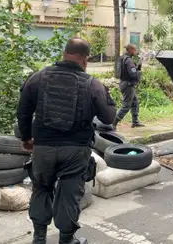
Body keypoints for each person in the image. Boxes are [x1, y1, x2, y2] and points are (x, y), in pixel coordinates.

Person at [17, 38, 117, 244]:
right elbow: (109, 117)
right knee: (69, 194)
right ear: (85, 60)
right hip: (75, 151)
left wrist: (27, 139)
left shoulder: (37, 78)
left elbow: (23, 112)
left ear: (64, 53)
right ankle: (66, 239)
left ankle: (39, 238)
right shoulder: (92, 84)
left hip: (43, 148)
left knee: (41, 189)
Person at [113, 43, 144, 129]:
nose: (135, 51)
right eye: (134, 50)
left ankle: (135, 122)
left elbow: (127, 71)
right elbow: (133, 74)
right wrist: (139, 72)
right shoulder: (129, 60)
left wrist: (138, 67)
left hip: (124, 83)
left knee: (135, 102)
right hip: (128, 86)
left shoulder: (122, 58)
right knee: (126, 106)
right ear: (130, 50)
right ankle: (113, 123)